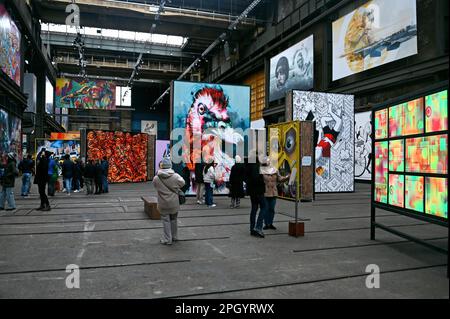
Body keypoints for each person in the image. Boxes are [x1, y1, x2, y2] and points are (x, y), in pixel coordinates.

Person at [152, 157, 185, 245]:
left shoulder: (156, 178)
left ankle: (167, 239)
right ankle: (174, 236)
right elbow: (183, 183)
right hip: (174, 202)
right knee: (174, 219)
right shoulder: (175, 176)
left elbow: (155, 186)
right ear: (170, 166)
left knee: (165, 221)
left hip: (163, 203)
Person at [260, 157, 289, 230]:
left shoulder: (275, 170)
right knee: (266, 209)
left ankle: (270, 223)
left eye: (269, 162)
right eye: (266, 162)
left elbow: (280, 179)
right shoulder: (261, 170)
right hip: (265, 193)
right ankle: (266, 224)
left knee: (272, 209)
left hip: (273, 192)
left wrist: (287, 177)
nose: (268, 163)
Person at [244, 155, 266, 238]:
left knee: (254, 208)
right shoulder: (255, 166)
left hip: (252, 191)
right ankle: (258, 227)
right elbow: (256, 178)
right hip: (258, 190)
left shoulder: (248, 166)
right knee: (264, 206)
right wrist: (262, 181)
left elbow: (246, 178)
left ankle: (252, 228)